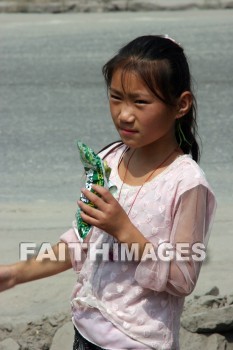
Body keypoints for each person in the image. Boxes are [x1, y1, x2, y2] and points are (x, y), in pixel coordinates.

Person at [0, 35, 216, 350]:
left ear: (181, 105)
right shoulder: (107, 161)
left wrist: (124, 230)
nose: (124, 114)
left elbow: (183, 277)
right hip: (84, 330)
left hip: (138, 341)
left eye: (140, 102)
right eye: (116, 97)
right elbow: (82, 241)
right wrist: (14, 274)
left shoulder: (186, 184)